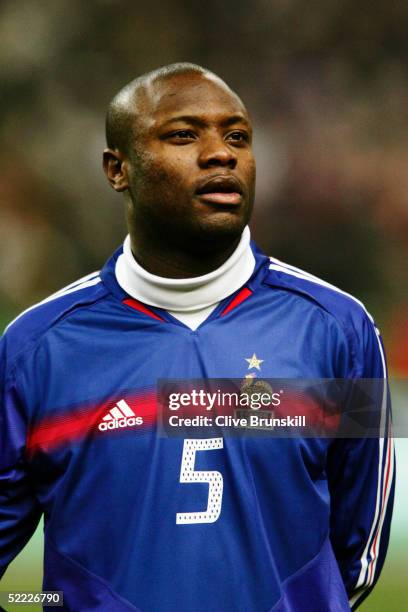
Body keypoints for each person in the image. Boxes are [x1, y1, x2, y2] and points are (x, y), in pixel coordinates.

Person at [0, 63, 394, 611]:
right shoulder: (35, 349)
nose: (221, 154)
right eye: (184, 135)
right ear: (119, 169)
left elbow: (358, 551)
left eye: (238, 137)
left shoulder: (340, 331)